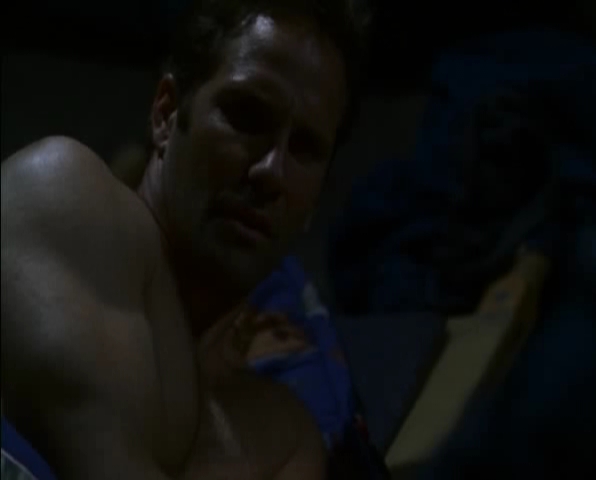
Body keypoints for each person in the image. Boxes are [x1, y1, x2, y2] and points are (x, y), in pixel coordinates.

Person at [1, 0, 368, 478]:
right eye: (246, 116)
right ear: (167, 114)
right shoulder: (63, 194)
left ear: (316, 199)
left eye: (305, 149)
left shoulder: (282, 438)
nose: (271, 172)